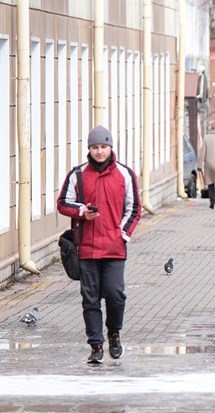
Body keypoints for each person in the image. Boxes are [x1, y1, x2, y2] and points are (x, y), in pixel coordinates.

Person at [57, 125, 142, 364]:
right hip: (86, 248)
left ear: (111, 147)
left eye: (103, 147)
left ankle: (114, 333)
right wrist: (82, 211)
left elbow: (134, 208)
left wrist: (122, 234)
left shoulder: (125, 174)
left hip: (114, 248)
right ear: (89, 149)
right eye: (95, 147)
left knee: (115, 294)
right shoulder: (78, 175)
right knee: (90, 298)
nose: (99, 152)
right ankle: (96, 346)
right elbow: (63, 202)